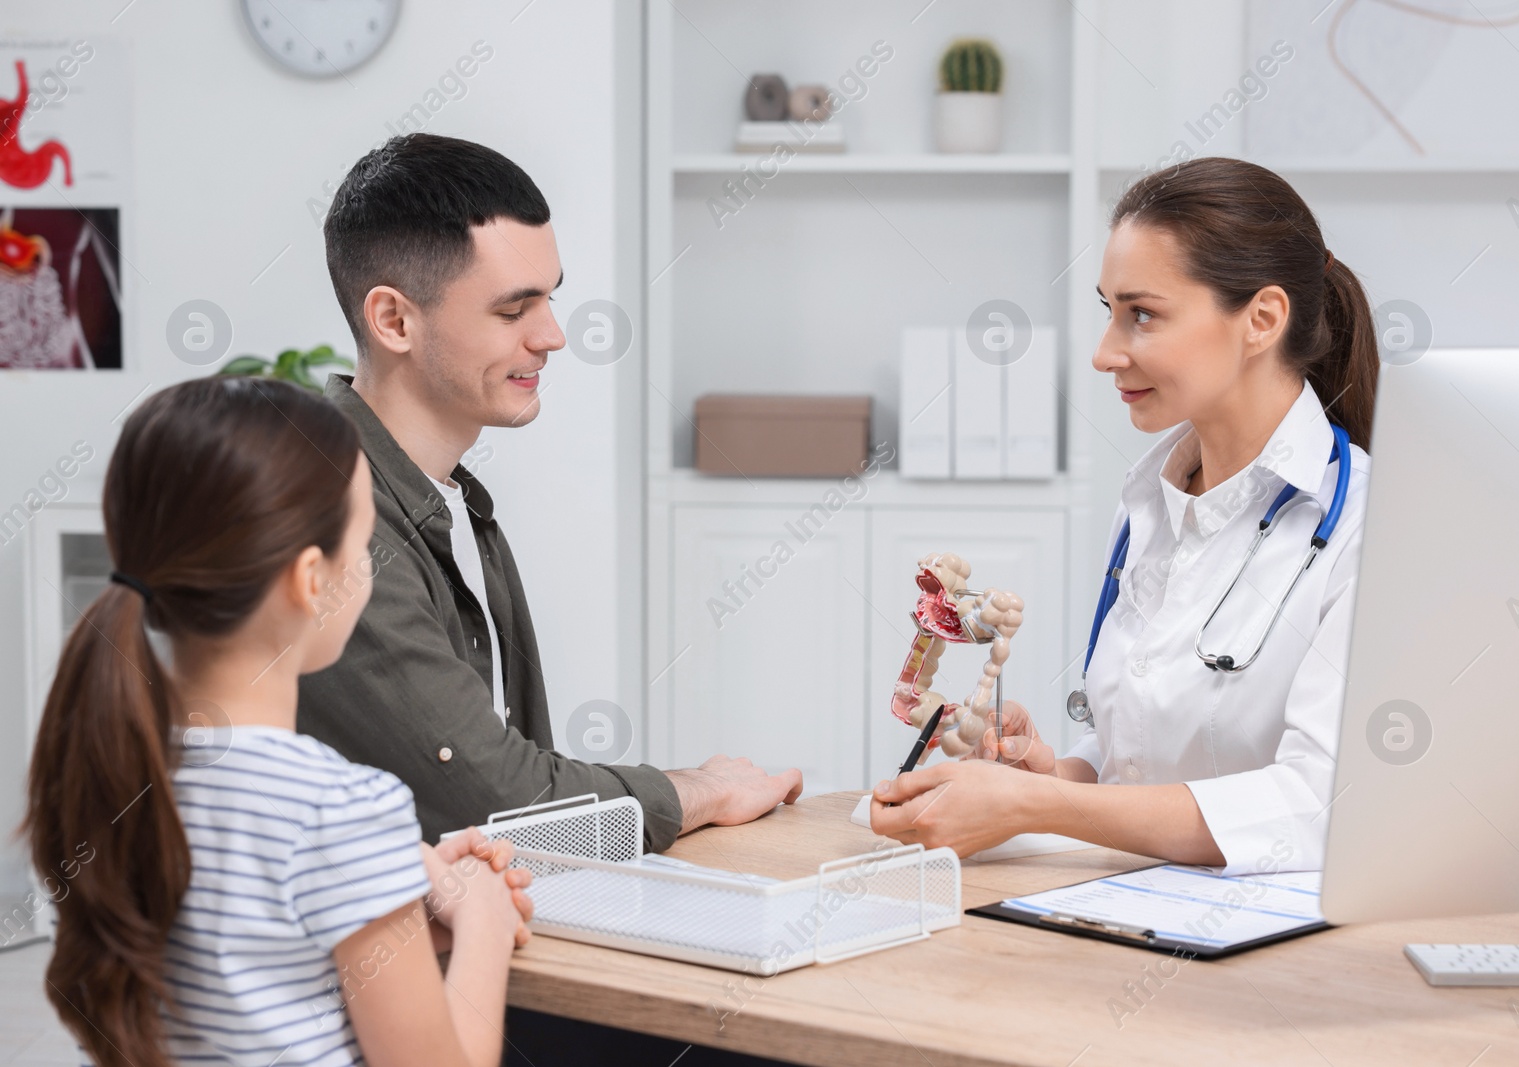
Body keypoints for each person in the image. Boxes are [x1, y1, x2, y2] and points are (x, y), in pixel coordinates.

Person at [297, 133, 801, 855]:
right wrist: (701, 789)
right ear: (394, 320)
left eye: (550, 299)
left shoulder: (456, 502)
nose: (554, 335)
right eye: (513, 310)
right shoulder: (338, 517)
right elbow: (502, 799)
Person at [872, 157, 1379, 874]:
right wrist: (1045, 776)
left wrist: (1038, 808)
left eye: (1142, 314)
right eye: (1108, 310)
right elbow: (1135, 763)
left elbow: (1315, 805)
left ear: (1261, 319)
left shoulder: (1365, 525)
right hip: (1123, 911)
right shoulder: (1151, 503)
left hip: (1267, 951)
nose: (1106, 353)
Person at [26, 377, 533, 1067]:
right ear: (312, 580)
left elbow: (263, 965)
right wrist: (484, 921)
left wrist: (381, 892)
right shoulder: (340, 807)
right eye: (363, 548)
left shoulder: (106, 773)